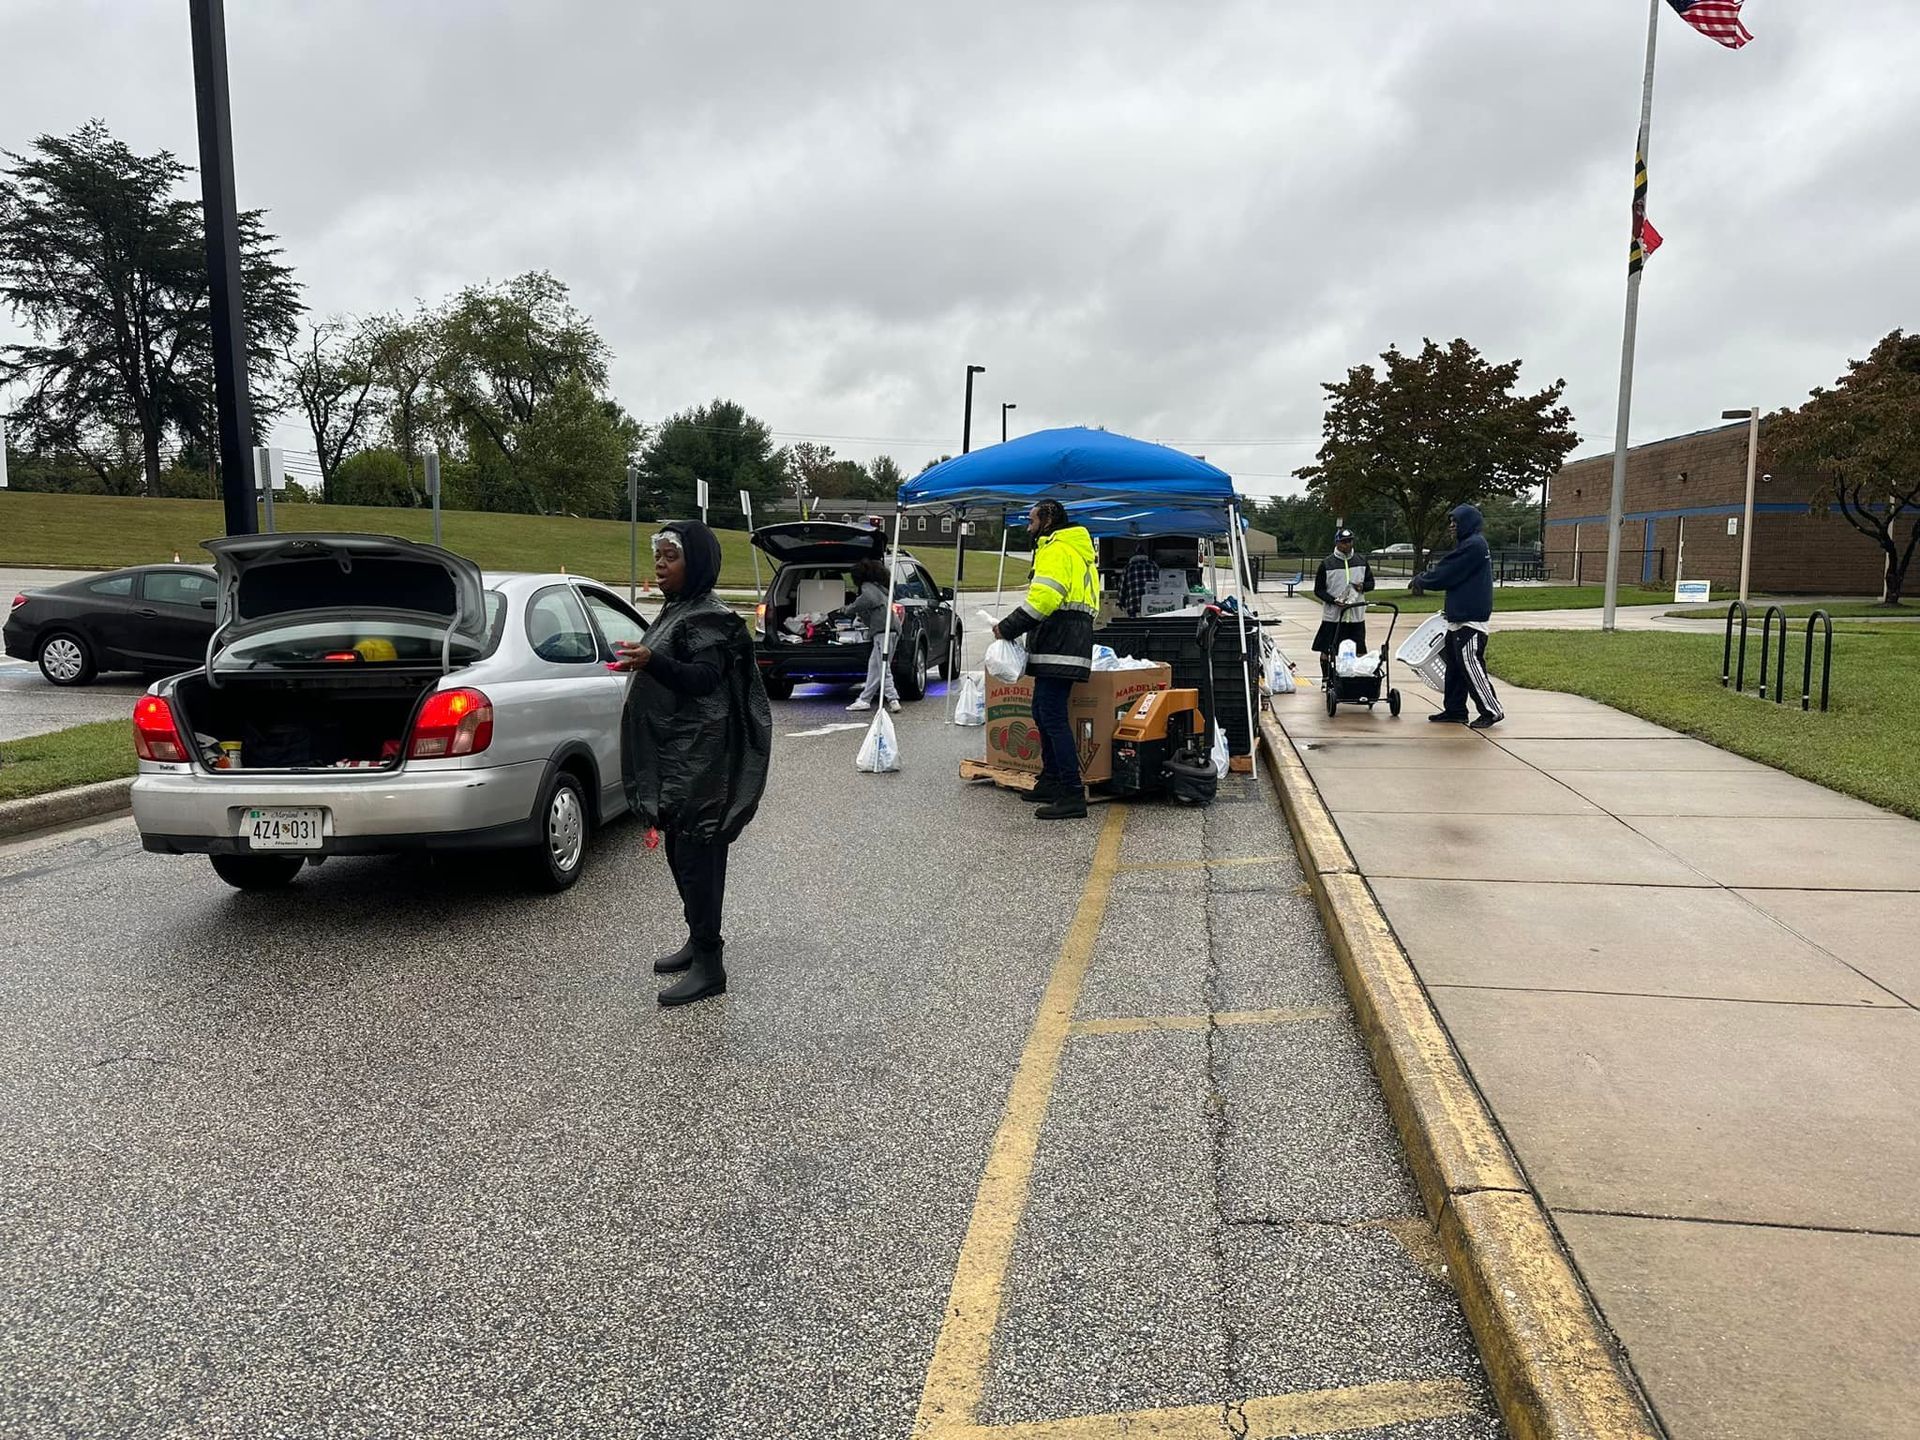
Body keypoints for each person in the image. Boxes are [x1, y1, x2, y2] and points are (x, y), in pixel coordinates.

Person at [615, 521, 774, 1005]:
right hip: (680, 757)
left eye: (670, 556)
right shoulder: (679, 609)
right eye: (658, 555)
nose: (660, 564)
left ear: (697, 563)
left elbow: (704, 679)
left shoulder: (712, 617)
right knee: (680, 854)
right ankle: (695, 938)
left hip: (703, 762)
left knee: (697, 860)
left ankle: (710, 963)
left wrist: (651, 663)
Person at [991, 499, 1100, 820]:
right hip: (1069, 642)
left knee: (1051, 716)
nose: (1028, 527)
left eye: (1031, 520)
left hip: (1059, 642)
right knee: (1042, 710)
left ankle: (1071, 793)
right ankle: (1052, 780)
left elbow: (1045, 599)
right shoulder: (1077, 551)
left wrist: (1007, 627)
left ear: (1048, 518)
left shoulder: (1056, 549)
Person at [1407, 503, 1505, 729]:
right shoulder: (1470, 544)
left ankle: (1492, 710)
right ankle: (1455, 709)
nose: (1452, 527)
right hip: (1458, 618)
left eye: (1455, 522)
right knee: (1455, 667)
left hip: (1470, 619)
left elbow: (1446, 572)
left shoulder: (1473, 546)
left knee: (1471, 665)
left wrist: (1421, 579)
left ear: (1467, 523)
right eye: (1451, 523)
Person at [834, 558, 901, 714]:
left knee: (883, 666)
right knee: (875, 666)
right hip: (891, 629)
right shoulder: (879, 588)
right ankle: (865, 699)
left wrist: (847, 609)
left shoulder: (868, 588)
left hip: (882, 631)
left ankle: (893, 699)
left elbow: (866, 601)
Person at [1311, 528, 1374, 665]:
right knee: (1327, 650)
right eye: (1343, 542)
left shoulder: (1361, 561)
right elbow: (1318, 590)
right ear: (1337, 543)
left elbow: (1371, 584)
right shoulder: (1327, 564)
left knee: (1360, 650)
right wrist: (1333, 601)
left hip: (1356, 616)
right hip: (1333, 616)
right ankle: (1326, 679)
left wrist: (1362, 587)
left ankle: (1357, 678)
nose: (1347, 545)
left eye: (1349, 541)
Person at [1119, 541, 1160, 619]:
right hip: (1152, 604)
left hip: (1133, 605)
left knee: (1135, 627)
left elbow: (1122, 588)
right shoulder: (1153, 565)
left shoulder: (1128, 567)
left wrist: (1121, 602)